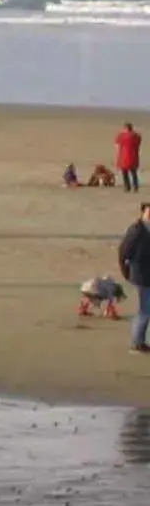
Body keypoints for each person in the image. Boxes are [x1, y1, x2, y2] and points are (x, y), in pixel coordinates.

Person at [120, 204, 150, 354]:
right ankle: (137, 343)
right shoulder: (137, 230)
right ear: (143, 213)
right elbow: (124, 252)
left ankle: (139, 342)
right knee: (145, 310)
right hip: (141, 276)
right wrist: (126, 272)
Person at [117, 122, 142, 194]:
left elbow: (117, 145)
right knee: (133, 172)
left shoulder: (121, 135)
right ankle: (135, 187)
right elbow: (139, 142)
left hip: (124, 156)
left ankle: (127, 187)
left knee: (125, 173)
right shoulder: (135, 135)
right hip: (133, 156)